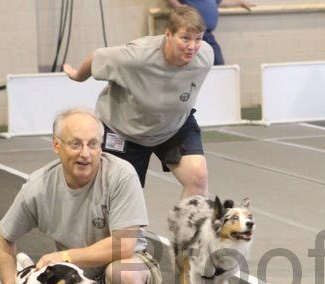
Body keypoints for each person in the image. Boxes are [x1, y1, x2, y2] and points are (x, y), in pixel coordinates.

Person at [0, 109, 162, 284]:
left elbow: (124, 246)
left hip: (127, 267)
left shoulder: (121, 175)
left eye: (93, 144)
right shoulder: (37, 187)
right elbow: (4, 239)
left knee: (122, 272)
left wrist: (66, 256)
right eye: (76, 144)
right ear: (56, 145)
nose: (86, 153)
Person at [63, 6, 213, 199]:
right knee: (119, 196)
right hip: (125, 131)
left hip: (174, 126)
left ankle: (188, 230)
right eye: (185, 38)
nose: (192, 46)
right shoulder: (136, 57)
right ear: (168, 35)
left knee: (198, 179)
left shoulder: (205, 56)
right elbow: (97, 57)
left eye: (198, 39)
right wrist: (77, 76)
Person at [165, 0, 255, 65]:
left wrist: (239, 3)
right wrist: (183, 11)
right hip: (192, 33)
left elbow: (221, 2)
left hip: (205, 34)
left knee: (218, 64)